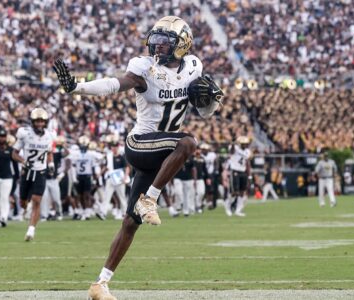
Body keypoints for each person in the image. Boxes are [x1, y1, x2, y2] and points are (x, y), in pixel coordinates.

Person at [53, 16, 223, 300]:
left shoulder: (194, 66)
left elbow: (205, 112)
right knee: (188, 142)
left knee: (131, 222)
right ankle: (150, 199)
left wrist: (211, 100)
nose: (157, 48)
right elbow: (115, 83)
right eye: (155, 41)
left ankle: (100, 283)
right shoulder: (144, 68)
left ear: (183, 45)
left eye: (165, 43)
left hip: (162, 153)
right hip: (140, 144)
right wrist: (77, 88)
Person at [11, 108, 55, 241]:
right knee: (23, 202)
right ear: (32, 122)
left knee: (36, 201)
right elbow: (14, 154)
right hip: (27, 171)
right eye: (37, 121)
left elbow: (49, 152)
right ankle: (26, 208)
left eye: (42, 121)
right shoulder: (24, 133)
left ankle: (31, 230)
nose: (40, 124)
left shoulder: (49, 135)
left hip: (41, 171)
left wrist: (51, 165)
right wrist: (24, 162)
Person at [0, 128, 19, 227]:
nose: (2, 138)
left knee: (4, 197)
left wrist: (17, 176)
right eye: (0, 136)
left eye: (3, 136)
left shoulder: (10, 150)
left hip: (8, 177)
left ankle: (4, 217)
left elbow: (15, 164)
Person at [225, 136, 252, 217]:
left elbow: (247, 163)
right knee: (234, 192)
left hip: (243, 172)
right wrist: (233, 144)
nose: (245, 145)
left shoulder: (248, 151)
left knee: (241, 192)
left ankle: (238, 210)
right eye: (243, 144)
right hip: (235, 171)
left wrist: (249, 175)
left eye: (246, 144)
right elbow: (231, 151)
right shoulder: (235, 148)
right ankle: (228, 207)